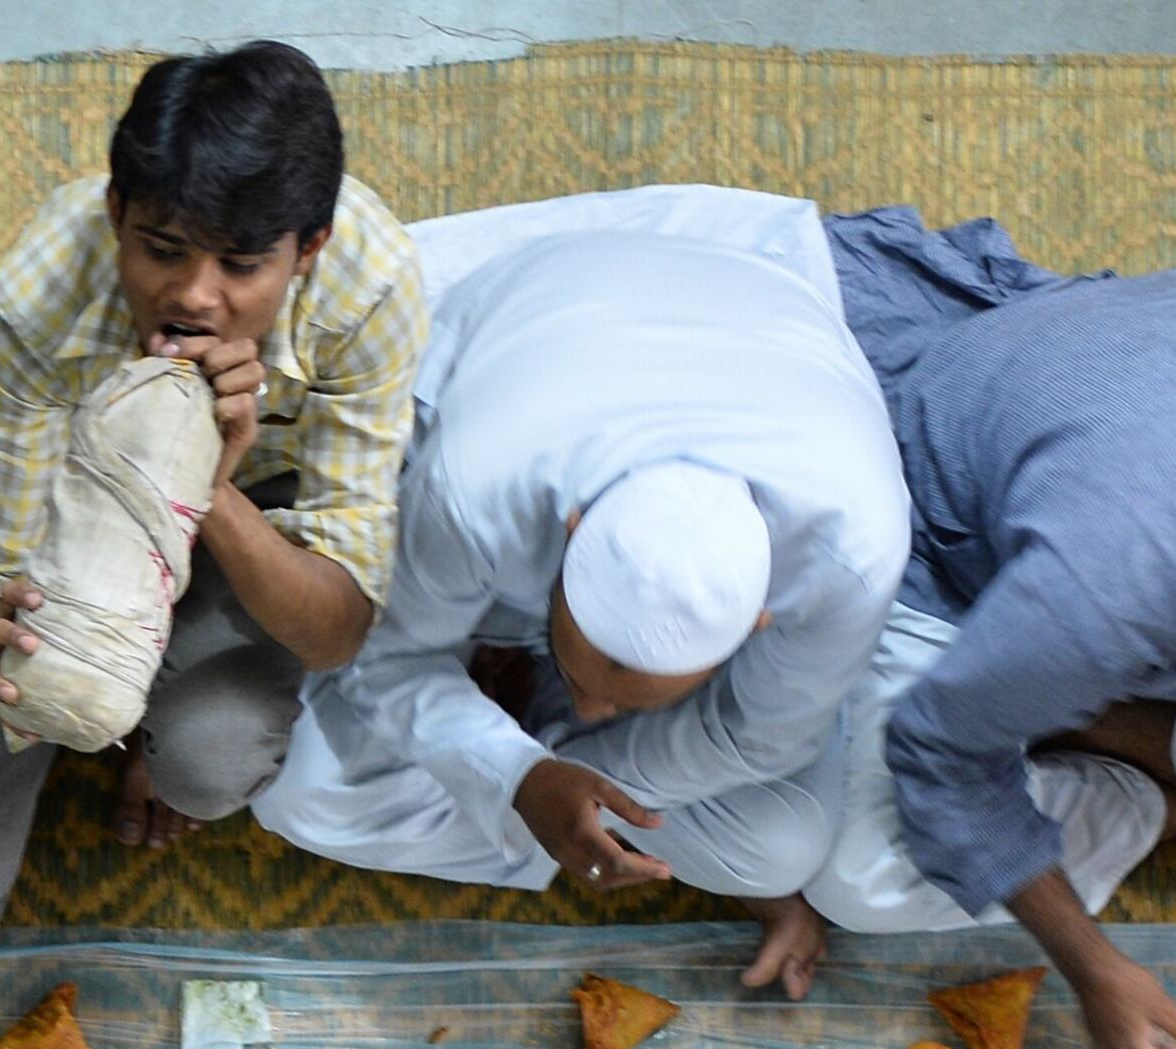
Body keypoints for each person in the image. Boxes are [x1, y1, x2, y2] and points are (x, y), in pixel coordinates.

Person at [248, 190, 911, 999]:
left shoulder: (850, 556)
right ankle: (559, 803)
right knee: (304, 796)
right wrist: (517, 775)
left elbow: (760, 739)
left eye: (621, 697)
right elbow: (384, 657)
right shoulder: (480, 488)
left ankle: (557, 803)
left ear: (757, 624)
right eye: (580, 676)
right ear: (568, 534)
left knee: (780, 848)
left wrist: (545, 773)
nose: (593, 708)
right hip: (554, 317)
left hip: (763, 325)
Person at [0, 41, 427, 982]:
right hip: (73, 521)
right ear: (118, 213)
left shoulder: (371, 290)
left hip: (250, 515)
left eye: (241, 266)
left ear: (308, 252)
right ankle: (97, 709)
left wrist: (211, 482)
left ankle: (150, 735)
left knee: (206, 765)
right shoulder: (40, 296)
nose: (194, 296)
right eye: (161, 251)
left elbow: (336, 629)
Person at [781, 208, 1176, 1049]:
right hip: (952, 525)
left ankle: (1093, 721)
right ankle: (1150, 786)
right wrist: (1094, 969)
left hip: (1161, 403)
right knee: (861, 879)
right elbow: (938, 752)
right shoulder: (1126, 584)